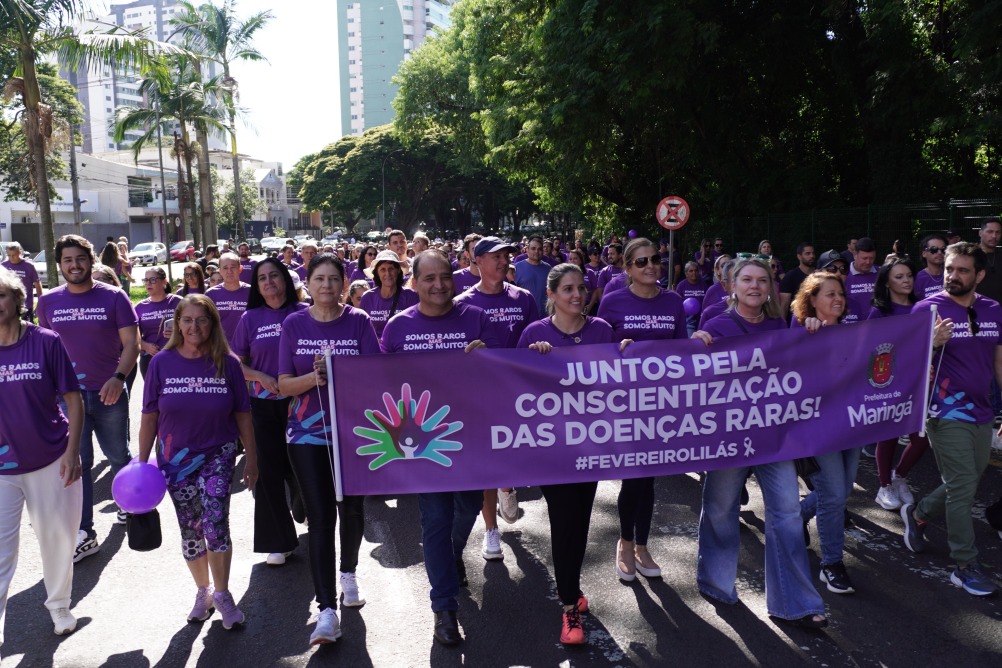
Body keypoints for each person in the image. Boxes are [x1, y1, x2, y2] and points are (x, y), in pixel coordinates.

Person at [692, 258, 827, 629]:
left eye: (762, 280)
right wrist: (694, 348)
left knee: (787, 514)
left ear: (770, 288)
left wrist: (813, 330)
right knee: (720, 508)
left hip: (773, 438)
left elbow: (803, 366)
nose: (754, 286)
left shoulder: (780, 326)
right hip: (729, 437)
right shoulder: (715, 325)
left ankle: (796, 603)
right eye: (747, 280)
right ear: (732, 286)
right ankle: (715, 582)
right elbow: (697, 380)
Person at [380, 249, 499, 645]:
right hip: (424, 444)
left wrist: (489, 358)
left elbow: (506, 375)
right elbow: (377, 382)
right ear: (414, 283)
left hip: (472, 436)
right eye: (428, 278)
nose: (438, 284)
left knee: (468, 506)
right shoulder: (397, 327)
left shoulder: (477, 318)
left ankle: (450, 555)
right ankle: (444, 607)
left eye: (445, 276)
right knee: (434, 519)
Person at [138, 294, 257, 629]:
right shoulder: (161, 363)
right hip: (175, 459)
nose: (194, 327)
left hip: (219, 454)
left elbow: (243, 414)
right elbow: (149, 416)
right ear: (177, 324)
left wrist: (252, 459)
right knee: (190, 528)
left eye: (202, 320)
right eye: (187, 320)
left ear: (212, 324)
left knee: (215, 522)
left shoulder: (228, 363)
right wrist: (141, 464)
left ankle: (222, 593)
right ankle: (203, 591)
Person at [278, 253, 380, 645]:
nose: (326, 286)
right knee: (320, 518)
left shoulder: (359, 321)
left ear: (343, 283)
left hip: (354, 433)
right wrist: (314, 377)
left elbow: (376, 376)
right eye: (319, 279)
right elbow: (283, 385)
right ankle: (326, 611)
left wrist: (342, 372)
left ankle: (348, 573)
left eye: (333, 279)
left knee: (351, 509)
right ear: (308, 282)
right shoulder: (294, 324)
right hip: (305, 435)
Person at [516, 263, 618, 643]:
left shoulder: (602, 330)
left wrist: (627, 354)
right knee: (564, 522)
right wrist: (534, 360)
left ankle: (571, 586)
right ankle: (569, 606)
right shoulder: (534, 333)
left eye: (581, 288)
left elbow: (617, 380)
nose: (577, 295)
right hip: (550, 450)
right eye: (568, 289)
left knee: (581, 520)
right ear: (552, 295)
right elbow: (513, 387)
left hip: (590, 445)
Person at [902, 242, 1002, 596]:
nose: (952, 276)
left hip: (983, 410)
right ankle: (964, 564)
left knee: (969, 479)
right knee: (962, 484)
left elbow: (998, 361)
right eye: (949, 269)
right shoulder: (926, 310)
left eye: (962, 270)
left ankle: (919, 513)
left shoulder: (993, 309)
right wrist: (931, 342)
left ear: (980, 275)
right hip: (944, 411)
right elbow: (902, 362)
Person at [36, 235, 139, 563]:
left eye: (80, 259)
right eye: (67, 260)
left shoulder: (114, 296)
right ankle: (84, 532)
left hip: (109, 392)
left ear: (91, 260)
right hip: (67, 399)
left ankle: (129, 504)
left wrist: (118, 378)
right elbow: (44, 351)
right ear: (59, 265)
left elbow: (132, 344)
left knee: (118, 455)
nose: (74, 265)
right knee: (77, 464)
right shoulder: (48, 302)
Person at [0, 266, 83, 640]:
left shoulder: (46, 341)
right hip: (3, 467)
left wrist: (72, 451)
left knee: (57, 538)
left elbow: (73, 398)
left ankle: (59, 605)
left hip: (50, 457)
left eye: (1, 295)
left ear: (17, 299)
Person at [597, 238, 686, 584]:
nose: (650, 265)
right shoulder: (613, 300)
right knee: (634, 474)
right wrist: (616, 349)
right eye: (641, 261)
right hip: (625, 403)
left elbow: (682, 350)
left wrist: (701, 343)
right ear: (628, 267)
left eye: (655, 259)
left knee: (649, 476)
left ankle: (642, 545)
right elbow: (598, 349)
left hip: (660, 403)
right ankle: (625, 542)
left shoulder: (673, 301)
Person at [455, 237, 538, 560]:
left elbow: (537, 336)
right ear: (477, 261)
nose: (504, 261)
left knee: (511, 455)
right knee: (487, 462)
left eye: (507, 256)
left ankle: (508, 484)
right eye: (496, 256)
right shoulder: (462, 304)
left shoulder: (523, 298)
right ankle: (491, 530)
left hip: (518, 394)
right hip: (479, 397)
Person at [232, 258, 308, 567]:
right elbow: (235, 364)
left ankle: (304, 506)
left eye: (274, 275)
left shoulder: (305, 313)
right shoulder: (249, 318)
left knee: (303, 466)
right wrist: (261, 377)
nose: (268, 282)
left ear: (285, 280)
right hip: (262, 406)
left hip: (304, 404)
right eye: (262, 278)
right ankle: (279, 541)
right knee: (267, 471)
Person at [790, 272, 860, 594]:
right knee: (833, 495)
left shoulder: (855, 334)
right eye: (830, 294)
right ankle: (832, 564)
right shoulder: (801, 333)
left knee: (840, 491)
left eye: (840, 294)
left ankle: (797, 515)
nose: (838, 299)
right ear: (812, 300)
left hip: (853, 426)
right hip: (818, 430)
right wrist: (810, 332)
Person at [868, 260, 935, 511]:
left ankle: (899, 476)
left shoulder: (923, 307)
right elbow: (871, 350)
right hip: (890, 382)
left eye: (908, 275)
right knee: (889, 434)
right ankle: (884, 486)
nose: (906, 280)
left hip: (920, 381)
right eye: (899, 277)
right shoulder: (879, 312)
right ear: (887, 282)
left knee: (922, 437)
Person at [135, 267, 181, 378]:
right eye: (146, 280)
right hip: (150, 358)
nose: (148, 283)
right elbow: (132, 335)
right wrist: (146, 346)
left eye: (152, 280)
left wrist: (178, 333)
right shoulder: (140, 307)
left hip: (176, 355)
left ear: (164, 281)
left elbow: (192, 327)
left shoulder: (178, 302)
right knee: (152, 388)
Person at [360, 250, 419, 337]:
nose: (387, 273)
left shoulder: (411, 296)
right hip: (375, 345)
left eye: (391, 269)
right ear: (377, 273)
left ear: (398, 270)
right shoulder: (367, 298)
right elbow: (362, 329)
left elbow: (416, 327)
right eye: (383, 269)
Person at [205, 253, 251, 345]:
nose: (229, 271)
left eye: (233, 267)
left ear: (240, 269)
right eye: (225, 268)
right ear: (220, 271)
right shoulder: (211, 294)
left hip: (247, 347)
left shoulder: (252, 292)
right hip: (220, 348)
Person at [2, 241, 43, 321]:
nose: (11, 258)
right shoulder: (3, 266)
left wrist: (40, 303)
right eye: (9, 255)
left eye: (14, 255)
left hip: (26, 305)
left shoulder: (29, 266)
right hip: (9, 305)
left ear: (19, 253)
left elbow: (37, 284)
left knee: (27, 327)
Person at [843, 237, 878, 324]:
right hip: (852, 327)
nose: (868, 262)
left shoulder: (880, 274)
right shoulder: (844, 274)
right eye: (864, 258)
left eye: (871, 258)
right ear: (855, 255)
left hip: (876, 325)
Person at [514, 236, 552, 316]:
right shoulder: (517, 268)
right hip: (523, 316)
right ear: (527, 250)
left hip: (544, 316)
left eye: (539, 249)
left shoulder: (548, 268)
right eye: (533, 248)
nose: (536, 251)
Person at [779, 242, 816, 317]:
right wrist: (782, 323)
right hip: (797, 320)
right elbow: (784, 305)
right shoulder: (790, 277)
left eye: (813, 253)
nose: (812, 256)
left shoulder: (819, 275)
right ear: (799, 256)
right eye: (807, 253)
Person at [674, 261, 707, 334]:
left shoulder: (703, 284)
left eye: (695, 270)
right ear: (686, 273)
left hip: (701, 320)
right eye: (691, 271)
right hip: (688, 322)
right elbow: (677, 303)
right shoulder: (681, 285)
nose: (694, 273)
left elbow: (707, 301)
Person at [914, 233, 947, 299]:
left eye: (943, 249)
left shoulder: (950, 275)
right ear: (924, 253)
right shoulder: (918, 278)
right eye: (934, 249)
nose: (940, 253)